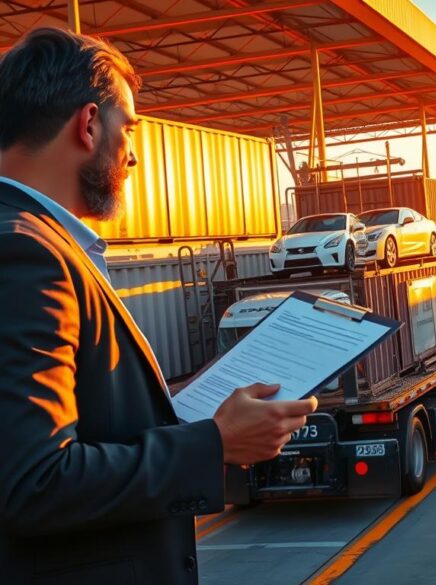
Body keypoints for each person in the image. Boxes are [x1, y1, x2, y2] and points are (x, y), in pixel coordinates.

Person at [0, 28, 317, 584]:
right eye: (130, 128)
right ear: (90, 123)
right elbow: (34, 481)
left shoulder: (38, 240)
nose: (135, 155)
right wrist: (214, 442)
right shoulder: (25, 253)